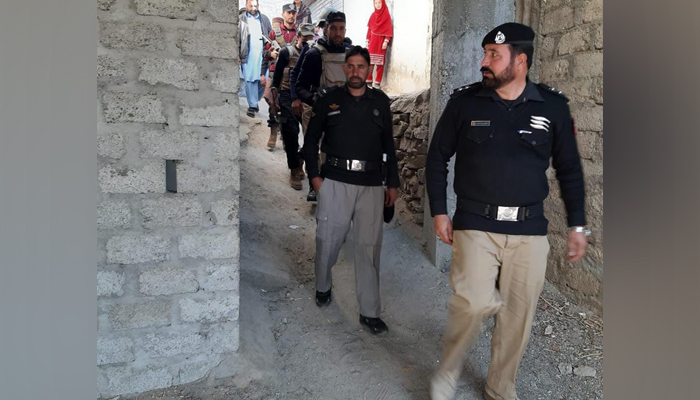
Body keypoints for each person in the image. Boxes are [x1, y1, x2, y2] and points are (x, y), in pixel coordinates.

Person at [426, 23, 590, 400]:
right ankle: (448, 370)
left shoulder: (553, 107)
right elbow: (437, 157)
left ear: (520, 61)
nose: (484, 62)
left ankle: (500, 387)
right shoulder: (465, 102)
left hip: (529, 229)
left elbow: (569, 170)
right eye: (485, 53)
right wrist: (439, 210)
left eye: (493, 56)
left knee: (518, 316)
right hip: (476, 222)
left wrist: (578, 225)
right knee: (473, 302)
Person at [302, 45, 399, 335]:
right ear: (345, 69)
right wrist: (316, 179)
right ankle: (323, 285)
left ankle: (369, 312)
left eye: (361, 66)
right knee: (328, 240)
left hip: (370, 186)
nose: (356, 71)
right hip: (335, 182)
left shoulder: (380, 102)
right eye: (351, 66)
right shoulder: (329, 101)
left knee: (369, 249)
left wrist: (392, 183)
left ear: (369, 70)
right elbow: (310, 142)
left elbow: (388, 147)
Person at [295, 10, 352, 202]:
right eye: (334, 28)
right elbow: (300, 86)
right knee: (314, 150)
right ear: (326, 29)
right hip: (316, 110)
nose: (338, 33)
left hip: (341, 111)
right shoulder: (314, 54)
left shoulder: (350, 55)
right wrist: (314, 100)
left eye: (341, 29)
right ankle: (314, 185)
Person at [271, 23, 315, 190]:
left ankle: (301, 157)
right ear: (297, 37)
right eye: (304, 40)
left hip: (306, 96)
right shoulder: (286, 53)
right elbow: (276, 79)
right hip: (287, 94)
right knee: (291, 132)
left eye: (310, 40)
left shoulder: (315, 54)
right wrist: (275, 100)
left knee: (312, 134)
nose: (307, 43)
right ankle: (294, 169)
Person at [262, 4, 298, 150]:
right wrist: (271, 54)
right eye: (288, 13)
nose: (291, 15)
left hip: (292, 75)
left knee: (288, 107)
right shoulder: (273, 33)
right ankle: (273, 134)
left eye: (293, 13)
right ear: (283, 14)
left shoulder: (299, 33)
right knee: (272, 104)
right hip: (275, 72)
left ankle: (286, 134)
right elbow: (264, 54)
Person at [239, 0, 272, 118]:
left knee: (263, 79)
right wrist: (238, 54)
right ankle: (252, 105)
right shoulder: (241, 19)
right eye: (250, 6)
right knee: (249, 80)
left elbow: (270, 35)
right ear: (246, 6)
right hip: (248, 54)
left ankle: (255, 100)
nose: (253, 8)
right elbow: (237, 37)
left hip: (263, 55)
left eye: (255, 6)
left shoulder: (264, 19)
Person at [365, 0, 393, 89]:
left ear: (383, 3)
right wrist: (367, 41)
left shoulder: (386, 16)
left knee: (380, 64)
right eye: (376, 3)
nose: (377, 5)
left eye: (379, 2)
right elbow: (369, 30)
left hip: (381, 44)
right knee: (370, 63)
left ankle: (377, 83)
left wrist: (386, 41)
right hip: (372, 43)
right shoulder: (373, 16)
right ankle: (368, 82)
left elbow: (388, 30)